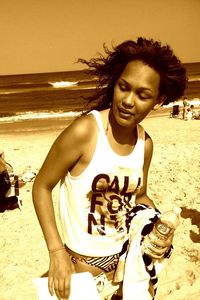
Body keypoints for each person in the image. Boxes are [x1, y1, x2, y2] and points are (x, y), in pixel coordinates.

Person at [32, 37, 187, 300]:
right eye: (123, 87)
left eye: (142, 95)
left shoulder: (144, 144)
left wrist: (157, 224)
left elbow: (138, 197)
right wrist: (56, 252)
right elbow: (42, 186)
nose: (128, 101)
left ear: (158, 100)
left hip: (127, 265)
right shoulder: (85, 132)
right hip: (83, 269)